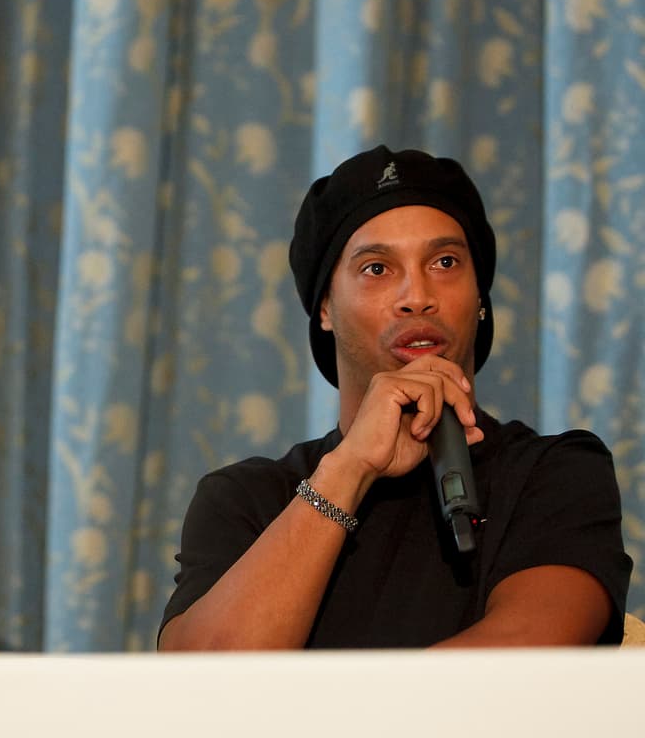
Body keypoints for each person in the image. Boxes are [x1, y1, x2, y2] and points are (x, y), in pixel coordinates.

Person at [159, 146, 631, 650]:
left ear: (480, 297)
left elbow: (522, 659)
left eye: (445, 262)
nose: (417, 296)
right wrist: (349, 468)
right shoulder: (245, 498)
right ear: (325, 307)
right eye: (376, 268)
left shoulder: (555, 473)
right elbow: (202, 680)